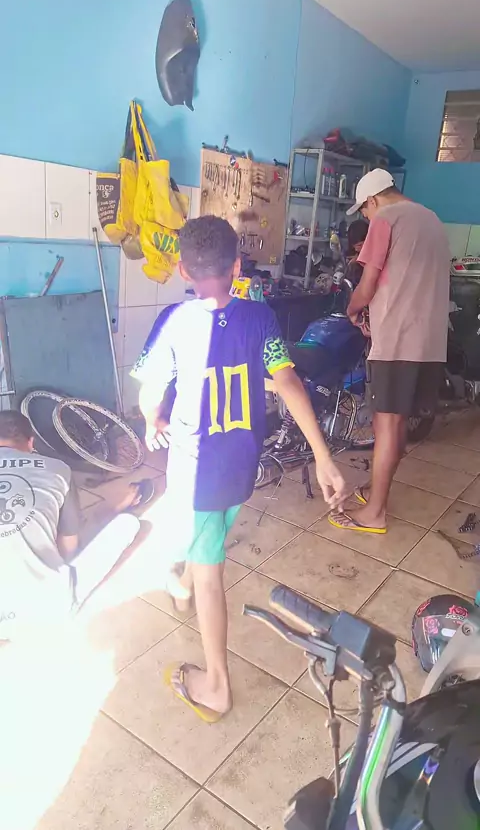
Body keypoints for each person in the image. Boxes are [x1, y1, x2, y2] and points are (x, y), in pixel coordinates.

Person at [133, 215, 347, 722]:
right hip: (242, 463)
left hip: (198, 471)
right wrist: (322, 455)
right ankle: (183, 583)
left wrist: (151, 419)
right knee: (209, 537)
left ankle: (216, 686)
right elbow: (287, 381)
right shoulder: (259, 317)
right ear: (236, 267)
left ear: (183, 270)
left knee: (212, 573)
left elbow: (149, 390)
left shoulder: (174, 320)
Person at [329, 169, 450, 535]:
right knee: (397, 424)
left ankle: (375, 512)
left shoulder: (387, 219)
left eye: (364, 211)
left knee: (386, 425)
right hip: (429, 343)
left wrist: (352, 310)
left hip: (398, 341)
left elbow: (367, 286)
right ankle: (375, 491)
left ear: (373, 199)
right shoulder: (433, 221)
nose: (367, 218)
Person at [0, 410, 152, 639]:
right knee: (127, 524)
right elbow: (69, 549)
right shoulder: (57, 469)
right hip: (44, 613)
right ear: (31, 442)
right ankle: (118, 506)